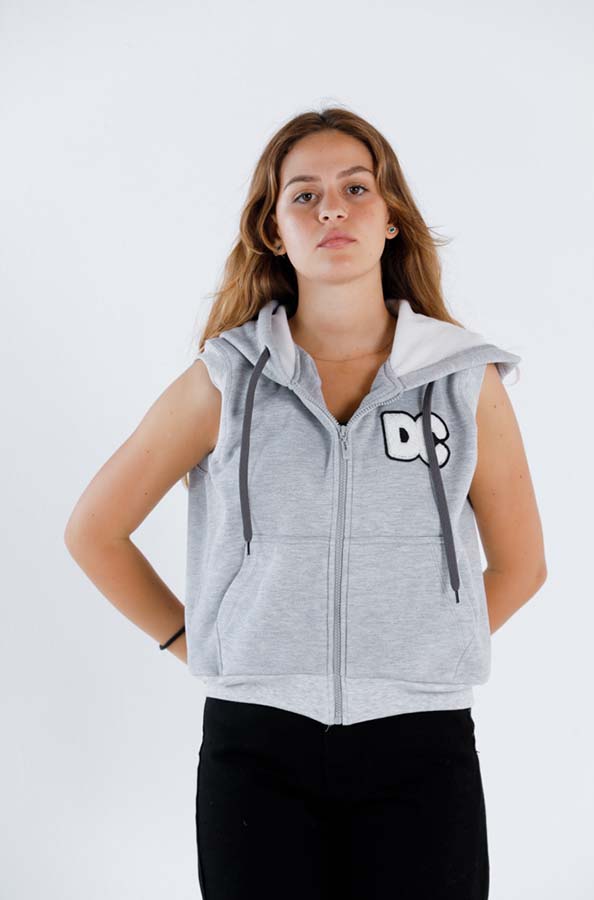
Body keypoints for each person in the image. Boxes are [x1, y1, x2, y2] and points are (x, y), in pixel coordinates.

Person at [64, 106, 547, 899]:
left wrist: (412, 653)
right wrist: (206, 644)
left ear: (391, 219)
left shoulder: (464, 381)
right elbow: (95, 530)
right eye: (304, 195)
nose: (331, 209)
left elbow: (523, 566)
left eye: (356, 188)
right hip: (256, 750)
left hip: (422, 751)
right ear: (274, 230)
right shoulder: (225, 379)